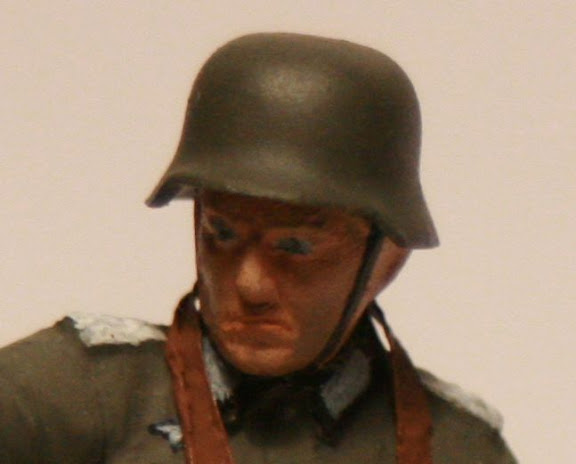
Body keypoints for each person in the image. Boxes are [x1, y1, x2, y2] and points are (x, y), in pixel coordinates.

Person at [0, 33, 516, 463]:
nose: (250, 285)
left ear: (386, 259)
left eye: (295, 246)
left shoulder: (456, 446)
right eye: (222, 235)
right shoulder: (81, 392)